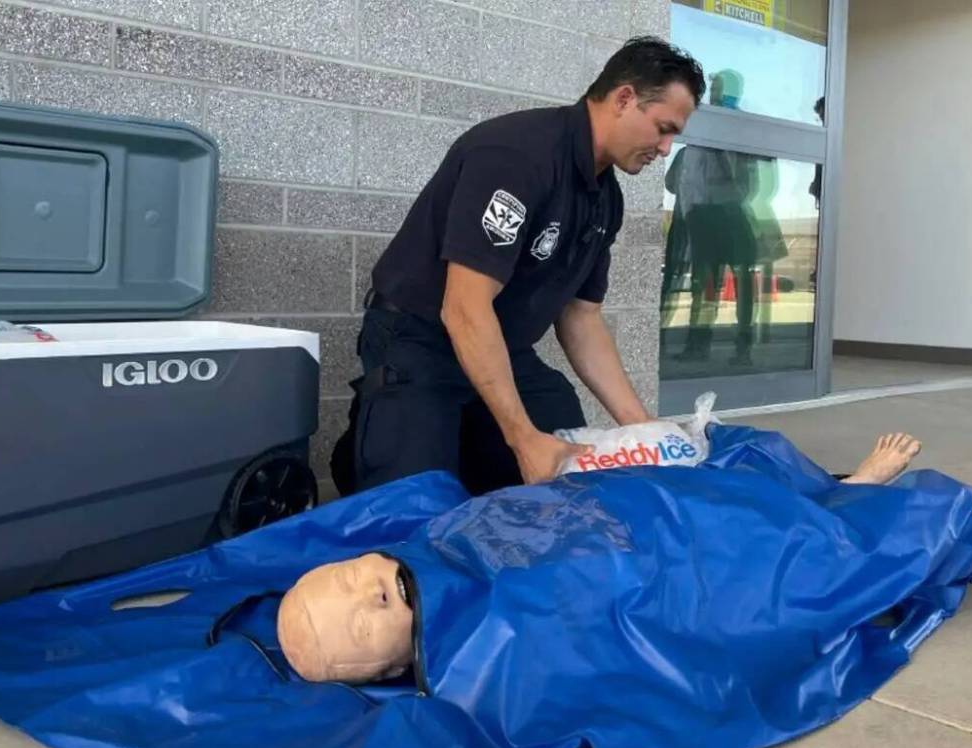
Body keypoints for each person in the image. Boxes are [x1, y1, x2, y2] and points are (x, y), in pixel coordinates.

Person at [330, 36, 706, 499]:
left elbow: (580, 317)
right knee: (414, 504)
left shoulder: (605, 199)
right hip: (420, 340)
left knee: (562, 434)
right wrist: (522, 439)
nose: (666, 149)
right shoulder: (517, 156)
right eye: (663, 128)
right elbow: (464, 308)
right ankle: (380, 445)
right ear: (624, 98)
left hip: (502, 347)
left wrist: (644, 428)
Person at [285, 432, 925, 683]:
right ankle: (847, 502)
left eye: (347, 578)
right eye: (363, 624)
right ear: (386, 671)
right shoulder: (482, 666)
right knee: (749, 562)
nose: (367, 593)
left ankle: (821, 501)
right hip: (643, 568)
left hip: (618, 515)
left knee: (712, 497)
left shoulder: (441, 535)